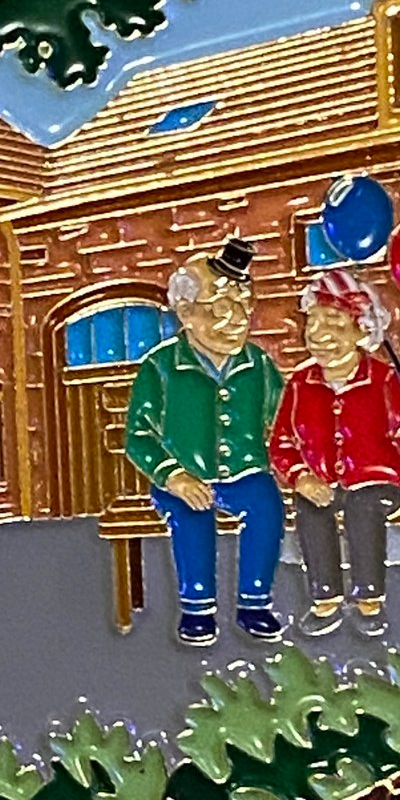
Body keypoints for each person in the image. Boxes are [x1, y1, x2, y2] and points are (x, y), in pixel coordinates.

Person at [123, 238, 288, 646]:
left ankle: (255, 601)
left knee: (267, 507)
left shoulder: (258, 364)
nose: (237, 319)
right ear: (185, 312)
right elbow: (138, 436)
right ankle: (196, 607)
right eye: (219, 307)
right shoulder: (161, 366)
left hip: (246, 472)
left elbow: (284, 418)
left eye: (244, 305)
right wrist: (173, 476)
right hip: (184, 476)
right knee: (190, 515)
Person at [269, 267, 400, 637]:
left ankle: (369, 598)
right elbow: (282, 442)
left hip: (377, 482)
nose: (320, 335)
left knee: (362, 506)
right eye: (313, 323)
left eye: (335, 324)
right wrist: (301, 477)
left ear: (362, 330)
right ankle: (324, 598)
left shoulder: (384, 378)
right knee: (311, 508)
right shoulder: (301, 382)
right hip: (324, 482)